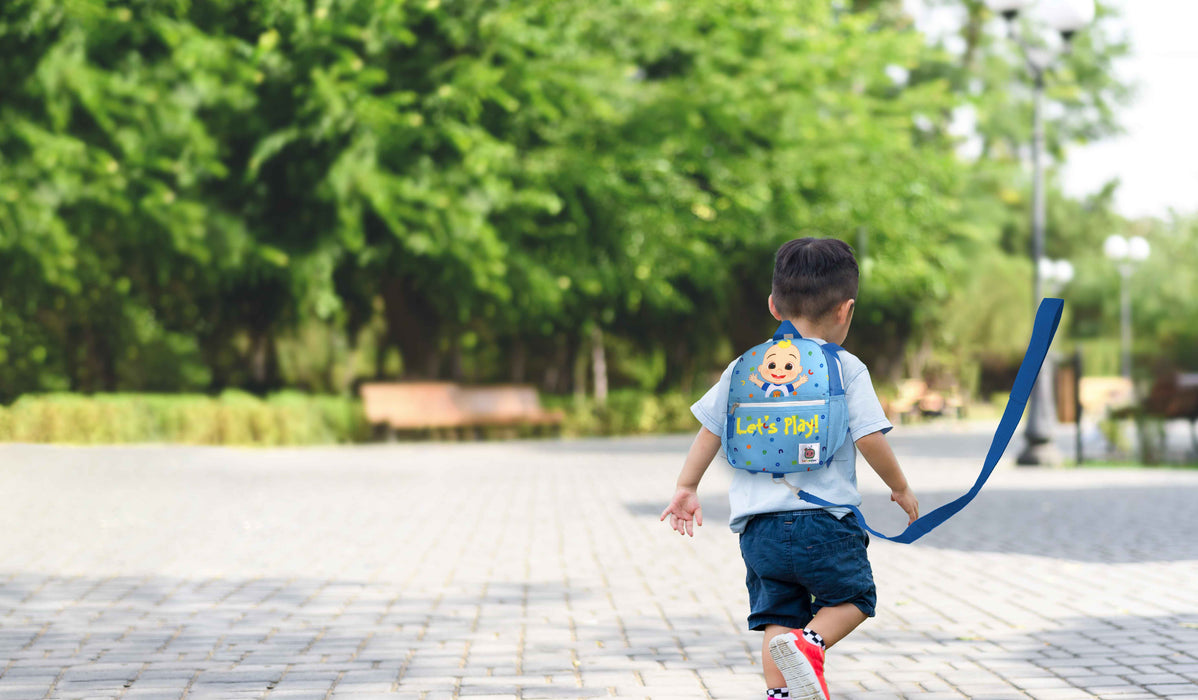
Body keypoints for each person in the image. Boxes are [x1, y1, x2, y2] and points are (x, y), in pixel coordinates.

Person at [660, 237, 920, 700]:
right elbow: (869, 437)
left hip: (758, 530)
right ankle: (811, 643)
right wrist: (899, 487)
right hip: (824, 525)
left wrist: (686, 485)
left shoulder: (746, 365)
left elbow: (710, 430)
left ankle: (781, 695)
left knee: (777, 618)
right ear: (846, 310)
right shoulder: (844, 367)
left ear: (773, 305)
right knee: (854, 598)